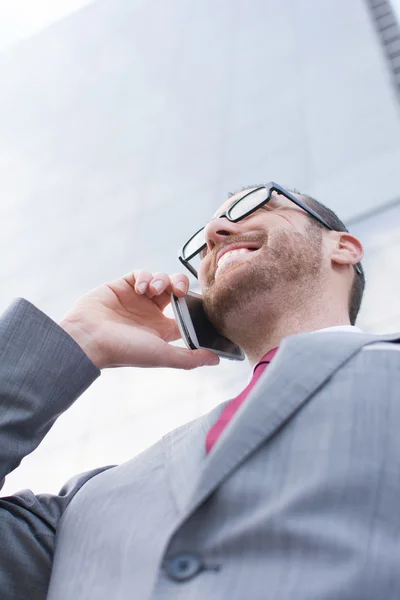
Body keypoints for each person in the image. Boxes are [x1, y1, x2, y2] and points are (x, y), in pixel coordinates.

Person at [0, 182, 399, 600]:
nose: (215, 234)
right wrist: (79, 340)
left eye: (253, 206)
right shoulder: (86, 502)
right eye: (202, 242)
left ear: (344, 248)